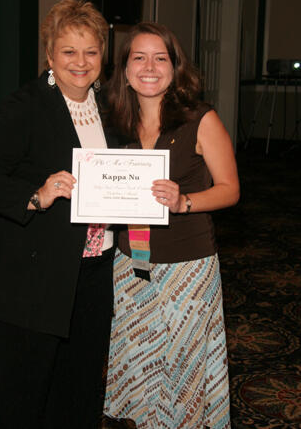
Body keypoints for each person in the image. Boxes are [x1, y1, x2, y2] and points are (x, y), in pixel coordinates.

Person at [0, 0, 118, 429]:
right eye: (68, 51)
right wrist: (36, 194)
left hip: (94, 269)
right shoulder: (26, 105)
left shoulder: (107, 108)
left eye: (91, 51)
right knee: (24, 395)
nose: (81, 62)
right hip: (35, 274)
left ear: (102, 55)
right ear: (50, 56)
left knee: (80, 388)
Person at [103, 22, 240, 428]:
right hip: (130, 269)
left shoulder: (200, 119)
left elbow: (230, 189)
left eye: (160, 58)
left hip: (187, 268)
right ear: (125, 69)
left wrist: (184, 202)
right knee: (140, 368)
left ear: (175, 67)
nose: (149, 66)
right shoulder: (116, 124)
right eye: (138, 57)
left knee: (182, 375)